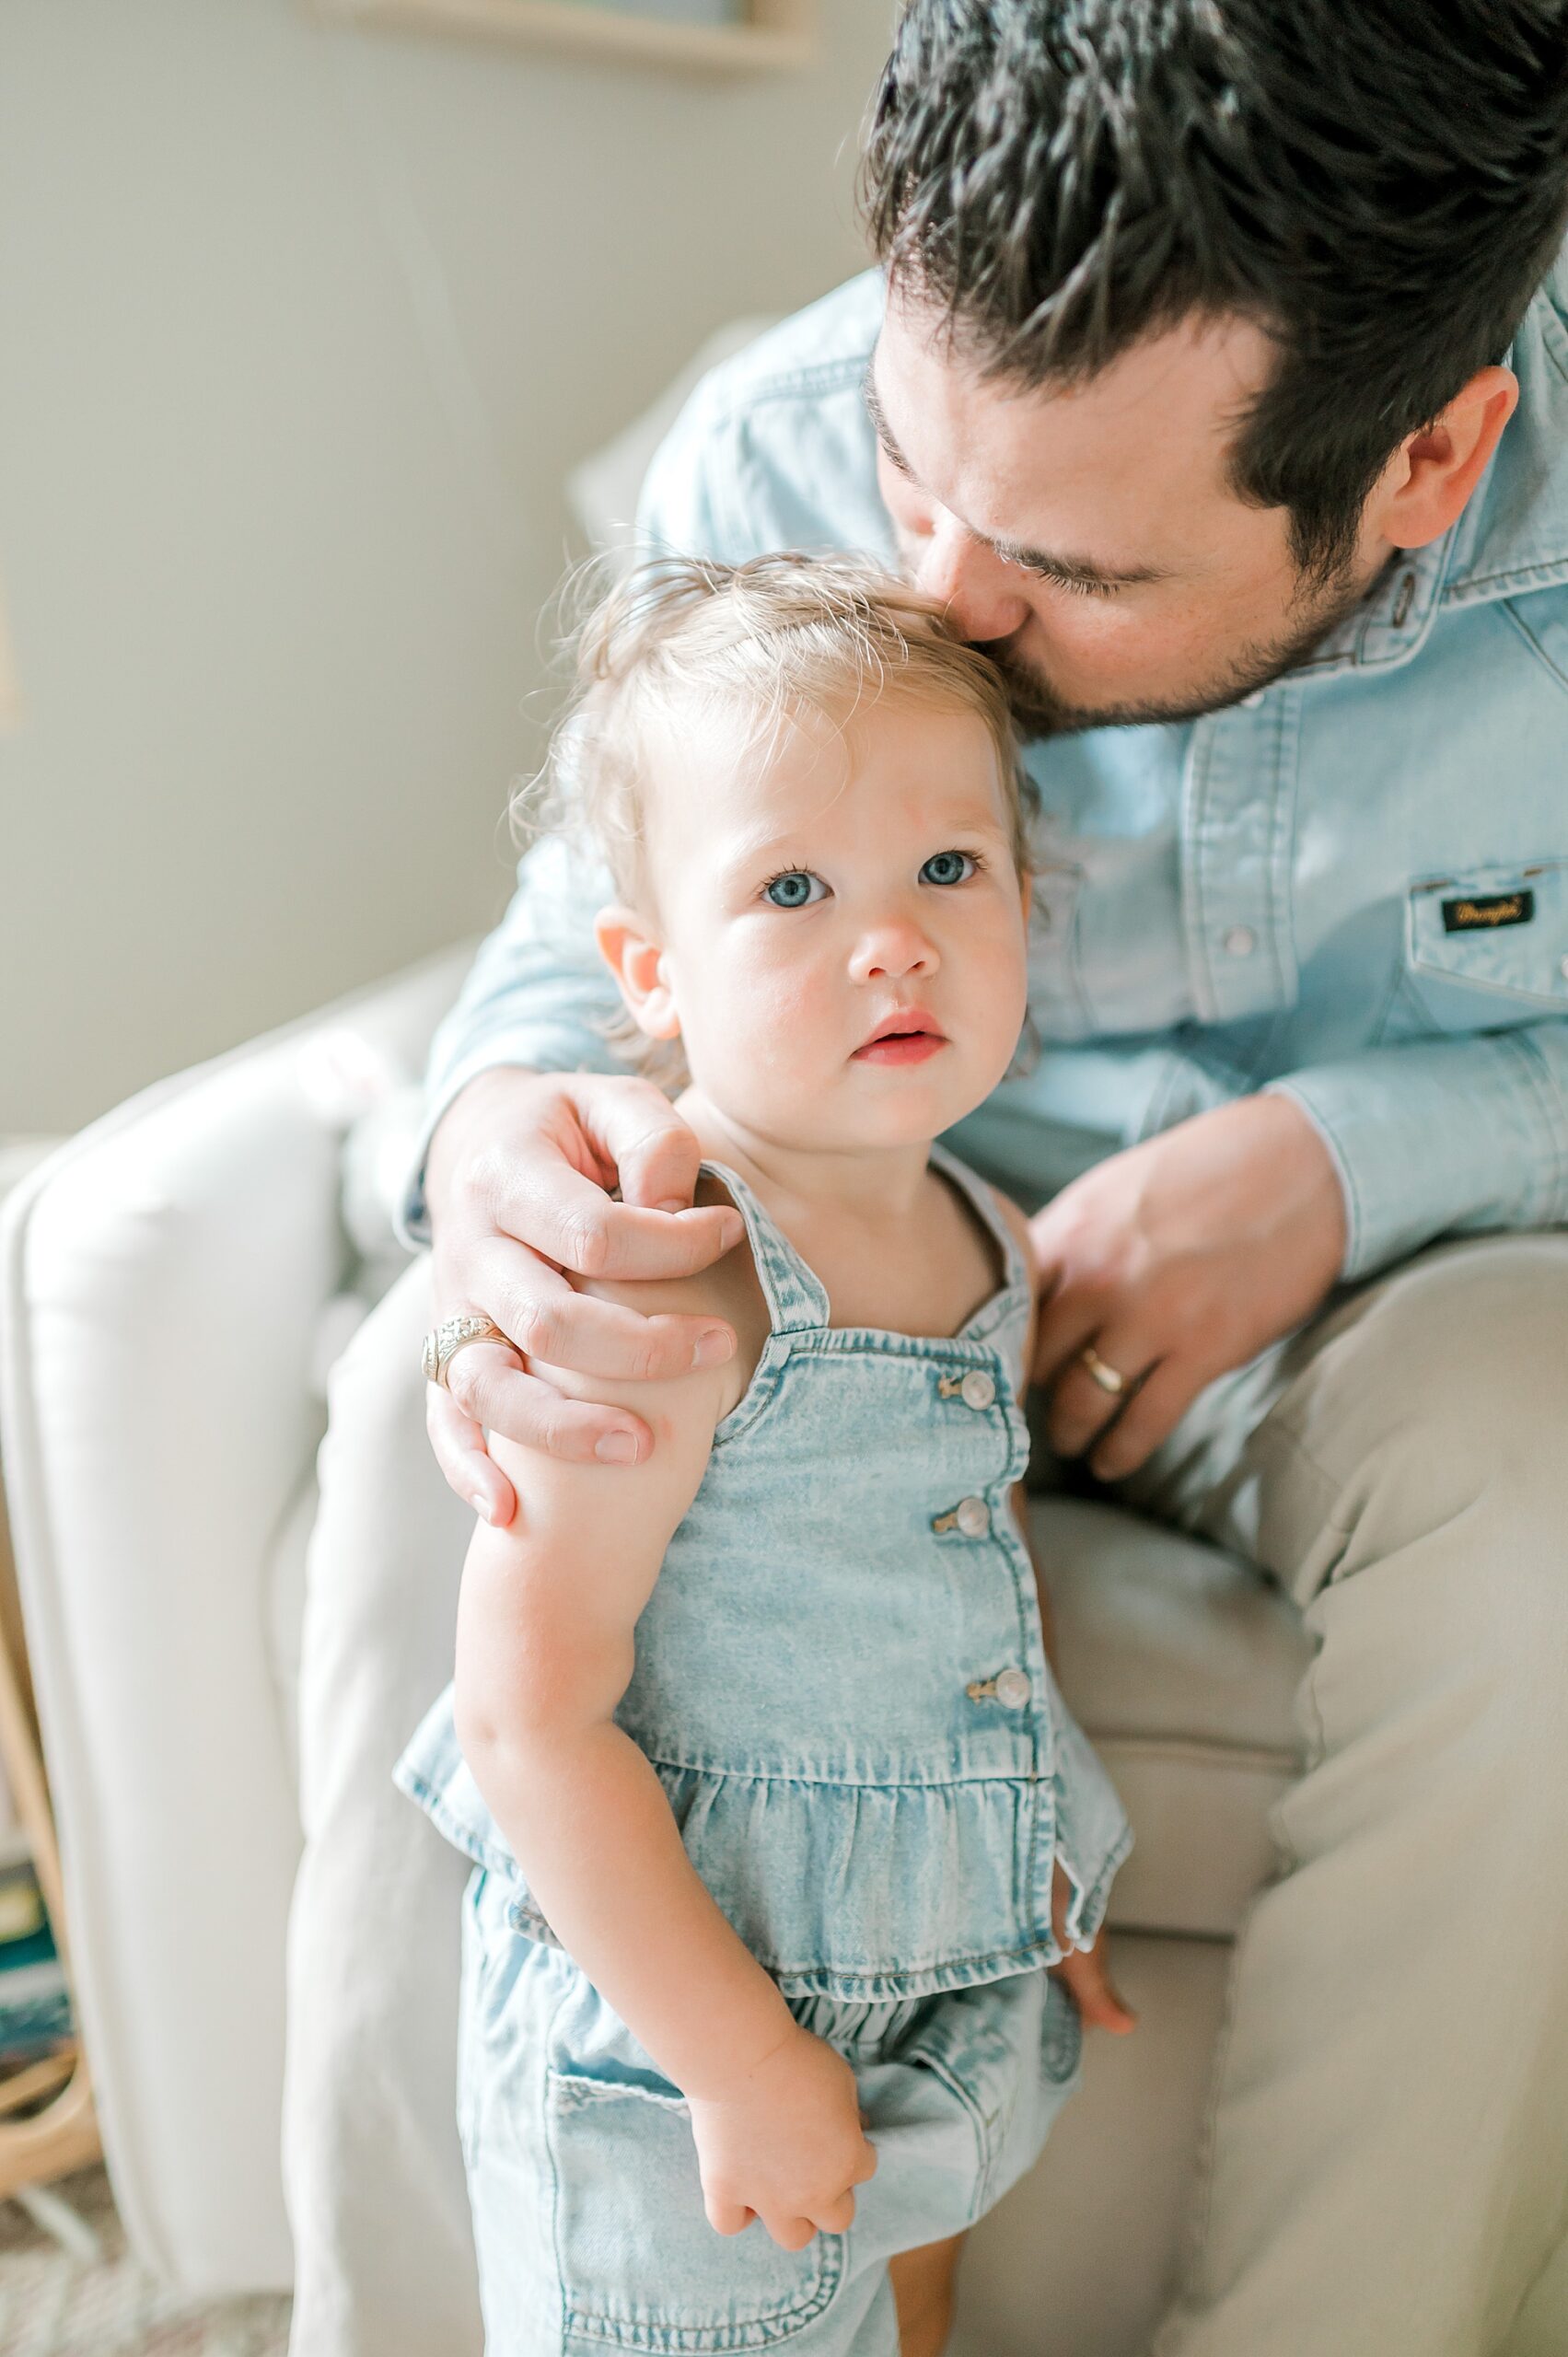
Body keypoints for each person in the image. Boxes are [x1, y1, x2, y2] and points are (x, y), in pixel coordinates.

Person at [400, 7, 1568, 2352]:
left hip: (1415, 1264)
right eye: (912, 468)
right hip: (845, 1221)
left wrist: (1367, 1153)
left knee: (1546, 1501)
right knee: (412, 1437)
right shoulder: (776, 436)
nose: (930, 589)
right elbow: (562, 961)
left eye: (1056, 558)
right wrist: (501, 1169)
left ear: (1430, 455)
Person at [394, 553, 1134, 2357]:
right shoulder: (676, 1268)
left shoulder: (984, 1230)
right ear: (650, 973)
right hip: (684, 2032)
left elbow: (965, 1573)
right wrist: (733, 2061)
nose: (893, 938)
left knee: (904, 2317)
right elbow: (529, 1713)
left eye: (949, 869)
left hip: (925, 1971)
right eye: (793, 887)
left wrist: (1022, 1859)